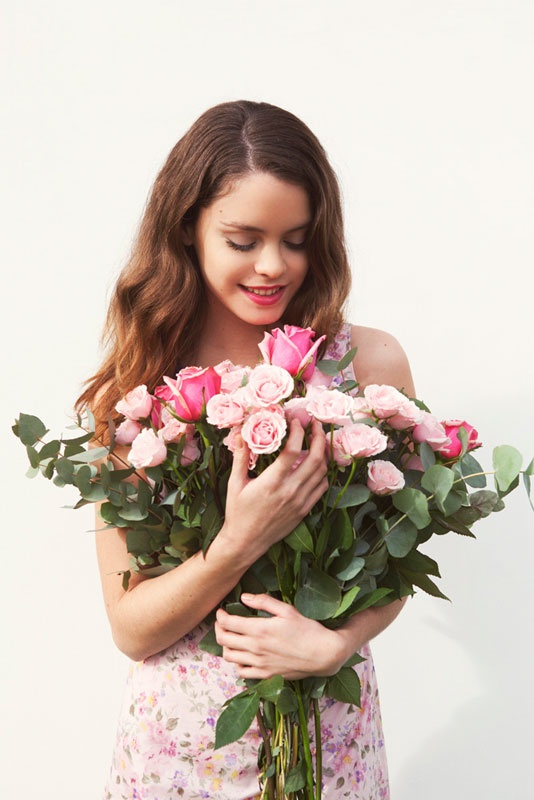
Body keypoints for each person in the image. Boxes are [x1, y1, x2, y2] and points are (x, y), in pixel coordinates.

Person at [78, 100, 415, 800]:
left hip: (329, 735)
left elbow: (398, 562)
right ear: (187, 230)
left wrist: (337, 645)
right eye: (243, 240)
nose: (273, 265)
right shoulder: (136, 395)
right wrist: (238, 542)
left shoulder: (368, 367)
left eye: (296, 239)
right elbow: (132, 629)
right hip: (180, 750)